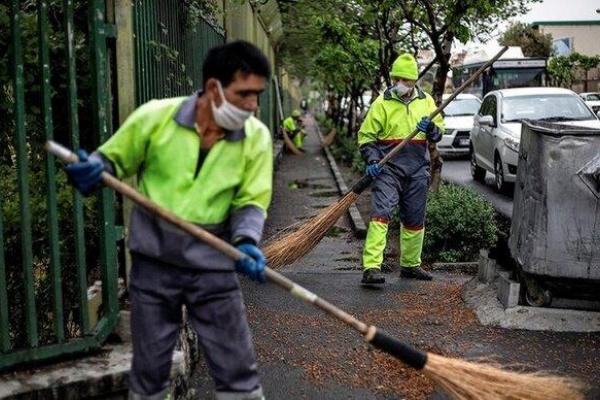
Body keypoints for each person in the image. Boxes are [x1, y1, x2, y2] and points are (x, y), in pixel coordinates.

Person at [65, 41, 272, 400]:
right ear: (213, 88)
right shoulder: (155, 117)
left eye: (258, 95)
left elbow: (250, 202)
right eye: (245, 94)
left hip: (213, 263)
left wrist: (247, 241)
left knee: (238, 372)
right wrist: (94, 169)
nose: (253, 106)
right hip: (154, 263)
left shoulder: (256, 137)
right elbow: (112, 160)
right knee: (149, 374)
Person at [357, 53, 444, 285]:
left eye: (406, 80)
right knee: (381, 214)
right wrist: (373, 160)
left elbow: (439, 132)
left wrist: (432, 127)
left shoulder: (426, 102)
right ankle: (371, 267)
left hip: (417, 169)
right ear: (392, 78)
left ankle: (410, 265)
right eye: (397, 79)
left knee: (415, 218)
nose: (401, 84)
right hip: (388, 169)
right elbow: (366, 136)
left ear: (415, 81)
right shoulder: (381, 103)